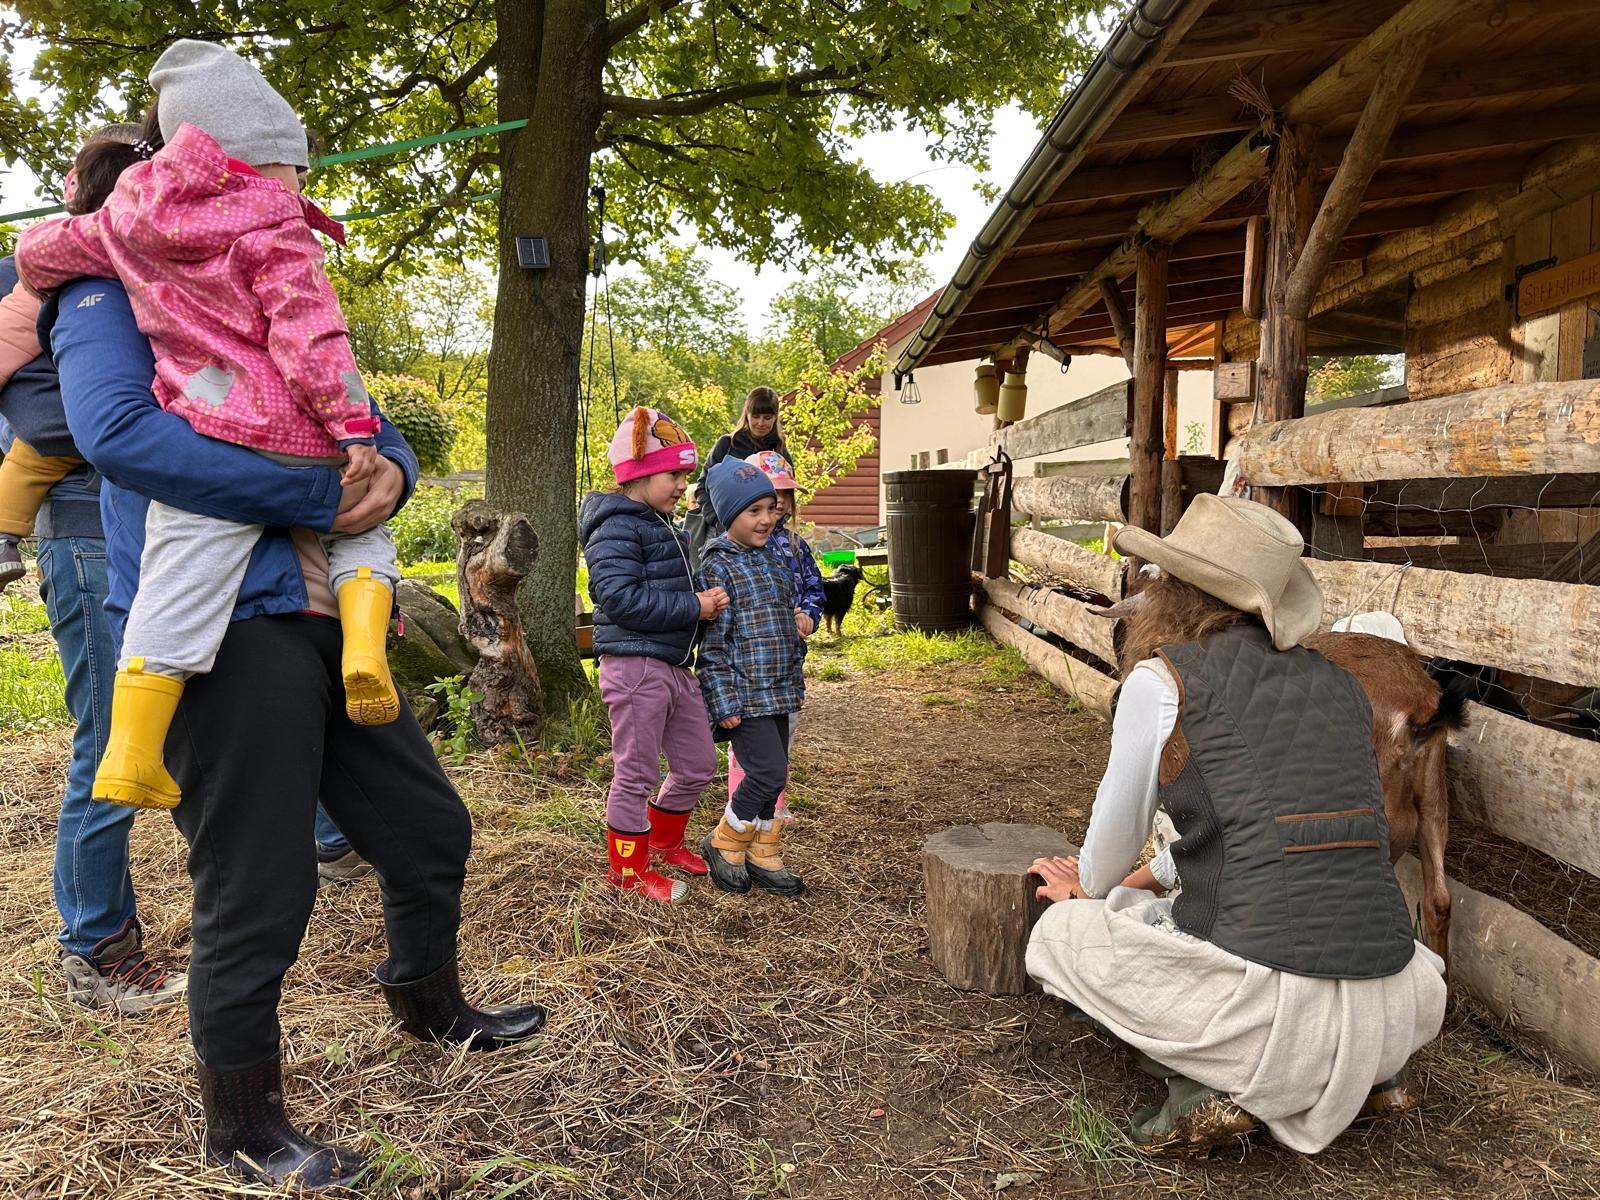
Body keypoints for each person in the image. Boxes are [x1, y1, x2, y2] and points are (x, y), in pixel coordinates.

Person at [41, 115, 545, 1200]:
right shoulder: (98, 292)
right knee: (257, 884)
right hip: (220, 628)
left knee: (427, 829)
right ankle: (243, 1126)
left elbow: (352, 400)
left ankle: (429, 1004)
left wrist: (393, 471)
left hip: (326, 615)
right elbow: (122, 436)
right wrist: (318, 492)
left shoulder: (251, 264)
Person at [16, 40, 401, 816]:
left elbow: (42, 250)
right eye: (296, 166)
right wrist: (357, 428)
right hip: (295, 428)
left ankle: (131, 749)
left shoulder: (129, 219)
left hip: (205, 416)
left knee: (178, 581)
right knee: (362, 530)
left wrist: (43, 265)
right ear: (263, 160)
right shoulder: (274, 221)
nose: (301, 182)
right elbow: (312, 336)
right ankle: (366, 646)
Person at [1023, 495, 1447, 1158]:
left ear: (1173, 590)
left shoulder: (1161, 682)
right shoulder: (1338, 685)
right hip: (1396, 1001)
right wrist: (1148, 880)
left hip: (1269, 1010)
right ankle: (1375, 1075)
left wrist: (1085, 893)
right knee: (1169, 911)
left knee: (1058, 938)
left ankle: (1200, 1086)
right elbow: (1271, 826)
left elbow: (1104, 858)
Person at [0, 125, 187, 1014]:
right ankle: (96, 947)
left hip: (167, 516)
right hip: (83, 523)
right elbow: (59, 416)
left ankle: (327, 842)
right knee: (111, 733)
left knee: (213, 699)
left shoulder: (155, 263)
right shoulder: (31, 275)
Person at [580, 405, 727, 905]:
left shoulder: (664, 525)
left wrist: (704, 602)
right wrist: (694, 606)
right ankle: (627, 870)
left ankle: (663, 841)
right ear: (639, 473)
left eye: (685, 476)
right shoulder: (616, 527)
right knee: (636, 773)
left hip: (673, 663)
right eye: (674, 475)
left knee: (697, 764)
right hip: (634, 666)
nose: (683, 486)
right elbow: (619, 598)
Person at [695, 458, 807, 897]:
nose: (765, 519)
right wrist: (723, 702)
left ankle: (762, 850)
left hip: (778, 690)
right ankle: (724, 841)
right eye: (753, 511)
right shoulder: (719, 568)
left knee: (776, 776)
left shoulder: (775, 563)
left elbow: (782, 626)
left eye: (770, 508)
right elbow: (713, 645)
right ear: (729, 516)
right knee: (766, 772)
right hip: (745, 695)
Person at [729, 449, 822, 824]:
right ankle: (740, 802)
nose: (779, 501)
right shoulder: (734, 550)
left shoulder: (796, 547)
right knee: (749, 735)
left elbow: (814, 589)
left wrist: (808, 614)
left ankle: (774, 802)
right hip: (749, 661)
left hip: (788, 659)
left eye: (785, 493)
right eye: (770, 492)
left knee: (786, 725)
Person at [686, 386, 790, 551]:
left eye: (767, 417)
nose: (761, 423)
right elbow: (703, 486)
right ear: (747, 414)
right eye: (755, 416)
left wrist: (774, 522)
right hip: (722, 531)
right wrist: (717, 520)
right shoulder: (727, 445)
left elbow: (787, 494)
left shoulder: (780, 452)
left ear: (775, 417)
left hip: (765, 533)